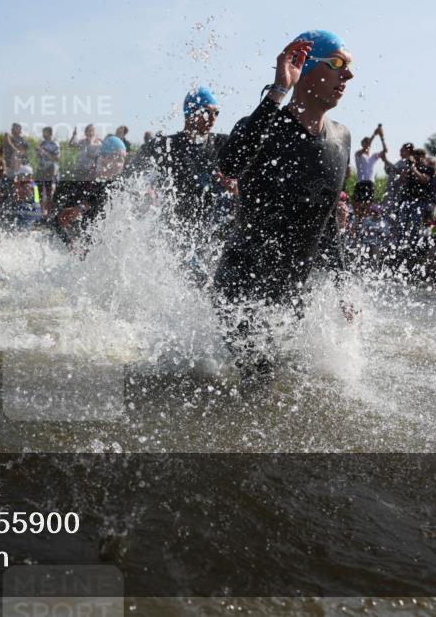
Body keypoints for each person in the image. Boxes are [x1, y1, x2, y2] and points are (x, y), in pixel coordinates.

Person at [212, 31, 355, 376]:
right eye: (338, 64)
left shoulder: (341, 137)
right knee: (254, 386)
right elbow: (230, 164)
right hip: (242, 288)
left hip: (291, 296)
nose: (347, 75)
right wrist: (278, 91)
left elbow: (326, 222)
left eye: (349, 67)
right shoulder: (266, 125)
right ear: (304, 66)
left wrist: (343, 285)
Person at [132, 85, 234, 235]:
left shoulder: (223, 144)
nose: (213, 118)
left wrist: (237, 187)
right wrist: (145, 191)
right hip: (176, 233)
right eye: (206, 112)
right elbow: (132, 178)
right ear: (190, 113)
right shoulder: (165, 146)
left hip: (216, 234)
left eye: (216, 113)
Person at [352, 126, 388, 212]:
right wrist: (374, 134)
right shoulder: (358, 154)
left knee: (369, 206)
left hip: (370, 183)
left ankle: (365, 222)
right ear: (362, 144)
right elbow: (365, 148)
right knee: (358, 206)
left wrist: (382, 137)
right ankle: (357, 222)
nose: (367, 145)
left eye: (367, 143)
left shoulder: (373, 156)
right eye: (365, 143)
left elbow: (385, 150)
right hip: (360, 182)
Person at [36, 126, 61, 213]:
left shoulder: (55, 144)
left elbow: (57, 158)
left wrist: (46, 153)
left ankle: (50, 211)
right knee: (37, 189)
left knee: (49, 190)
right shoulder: (41, 143)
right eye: (43, 132)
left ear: (50, 133)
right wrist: (39, 152)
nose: (43, 134)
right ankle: (40, 210)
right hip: (41, 168)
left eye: (44, 132)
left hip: (50, 168)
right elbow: (38, 156)